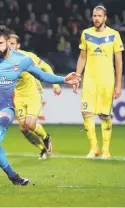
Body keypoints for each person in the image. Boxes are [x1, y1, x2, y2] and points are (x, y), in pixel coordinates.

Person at [0, 25, 80, 185]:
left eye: (0, 43)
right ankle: (13, 177)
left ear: (9, 42)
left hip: (5, 104)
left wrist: (63, 79)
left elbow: (42, 75)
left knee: (2, 124)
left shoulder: (22, 60)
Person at [75, 5, 123, 160]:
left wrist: (118, 84)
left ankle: (106, 150)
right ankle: (94, 148)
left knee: (104, 114)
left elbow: (118, 62)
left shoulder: (114, 35)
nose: (96, 18)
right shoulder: (86, 33)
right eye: (94, 15)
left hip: (106, 80)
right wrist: (77, 76)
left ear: (105, 18)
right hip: (89, 79)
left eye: (99, 16)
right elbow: (82, 57)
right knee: (86, 112)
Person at [9, 34, 61, 159]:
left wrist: (56, 85)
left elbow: (46, 67)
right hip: (19, 96)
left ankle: (45, 137)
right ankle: (42, 149)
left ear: (18, 45)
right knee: (23, 128)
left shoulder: (28, 57)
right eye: (8, 43)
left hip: (33, 94)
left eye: (12, 43)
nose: (9, 46)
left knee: (30, 124)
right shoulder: (3, 61)